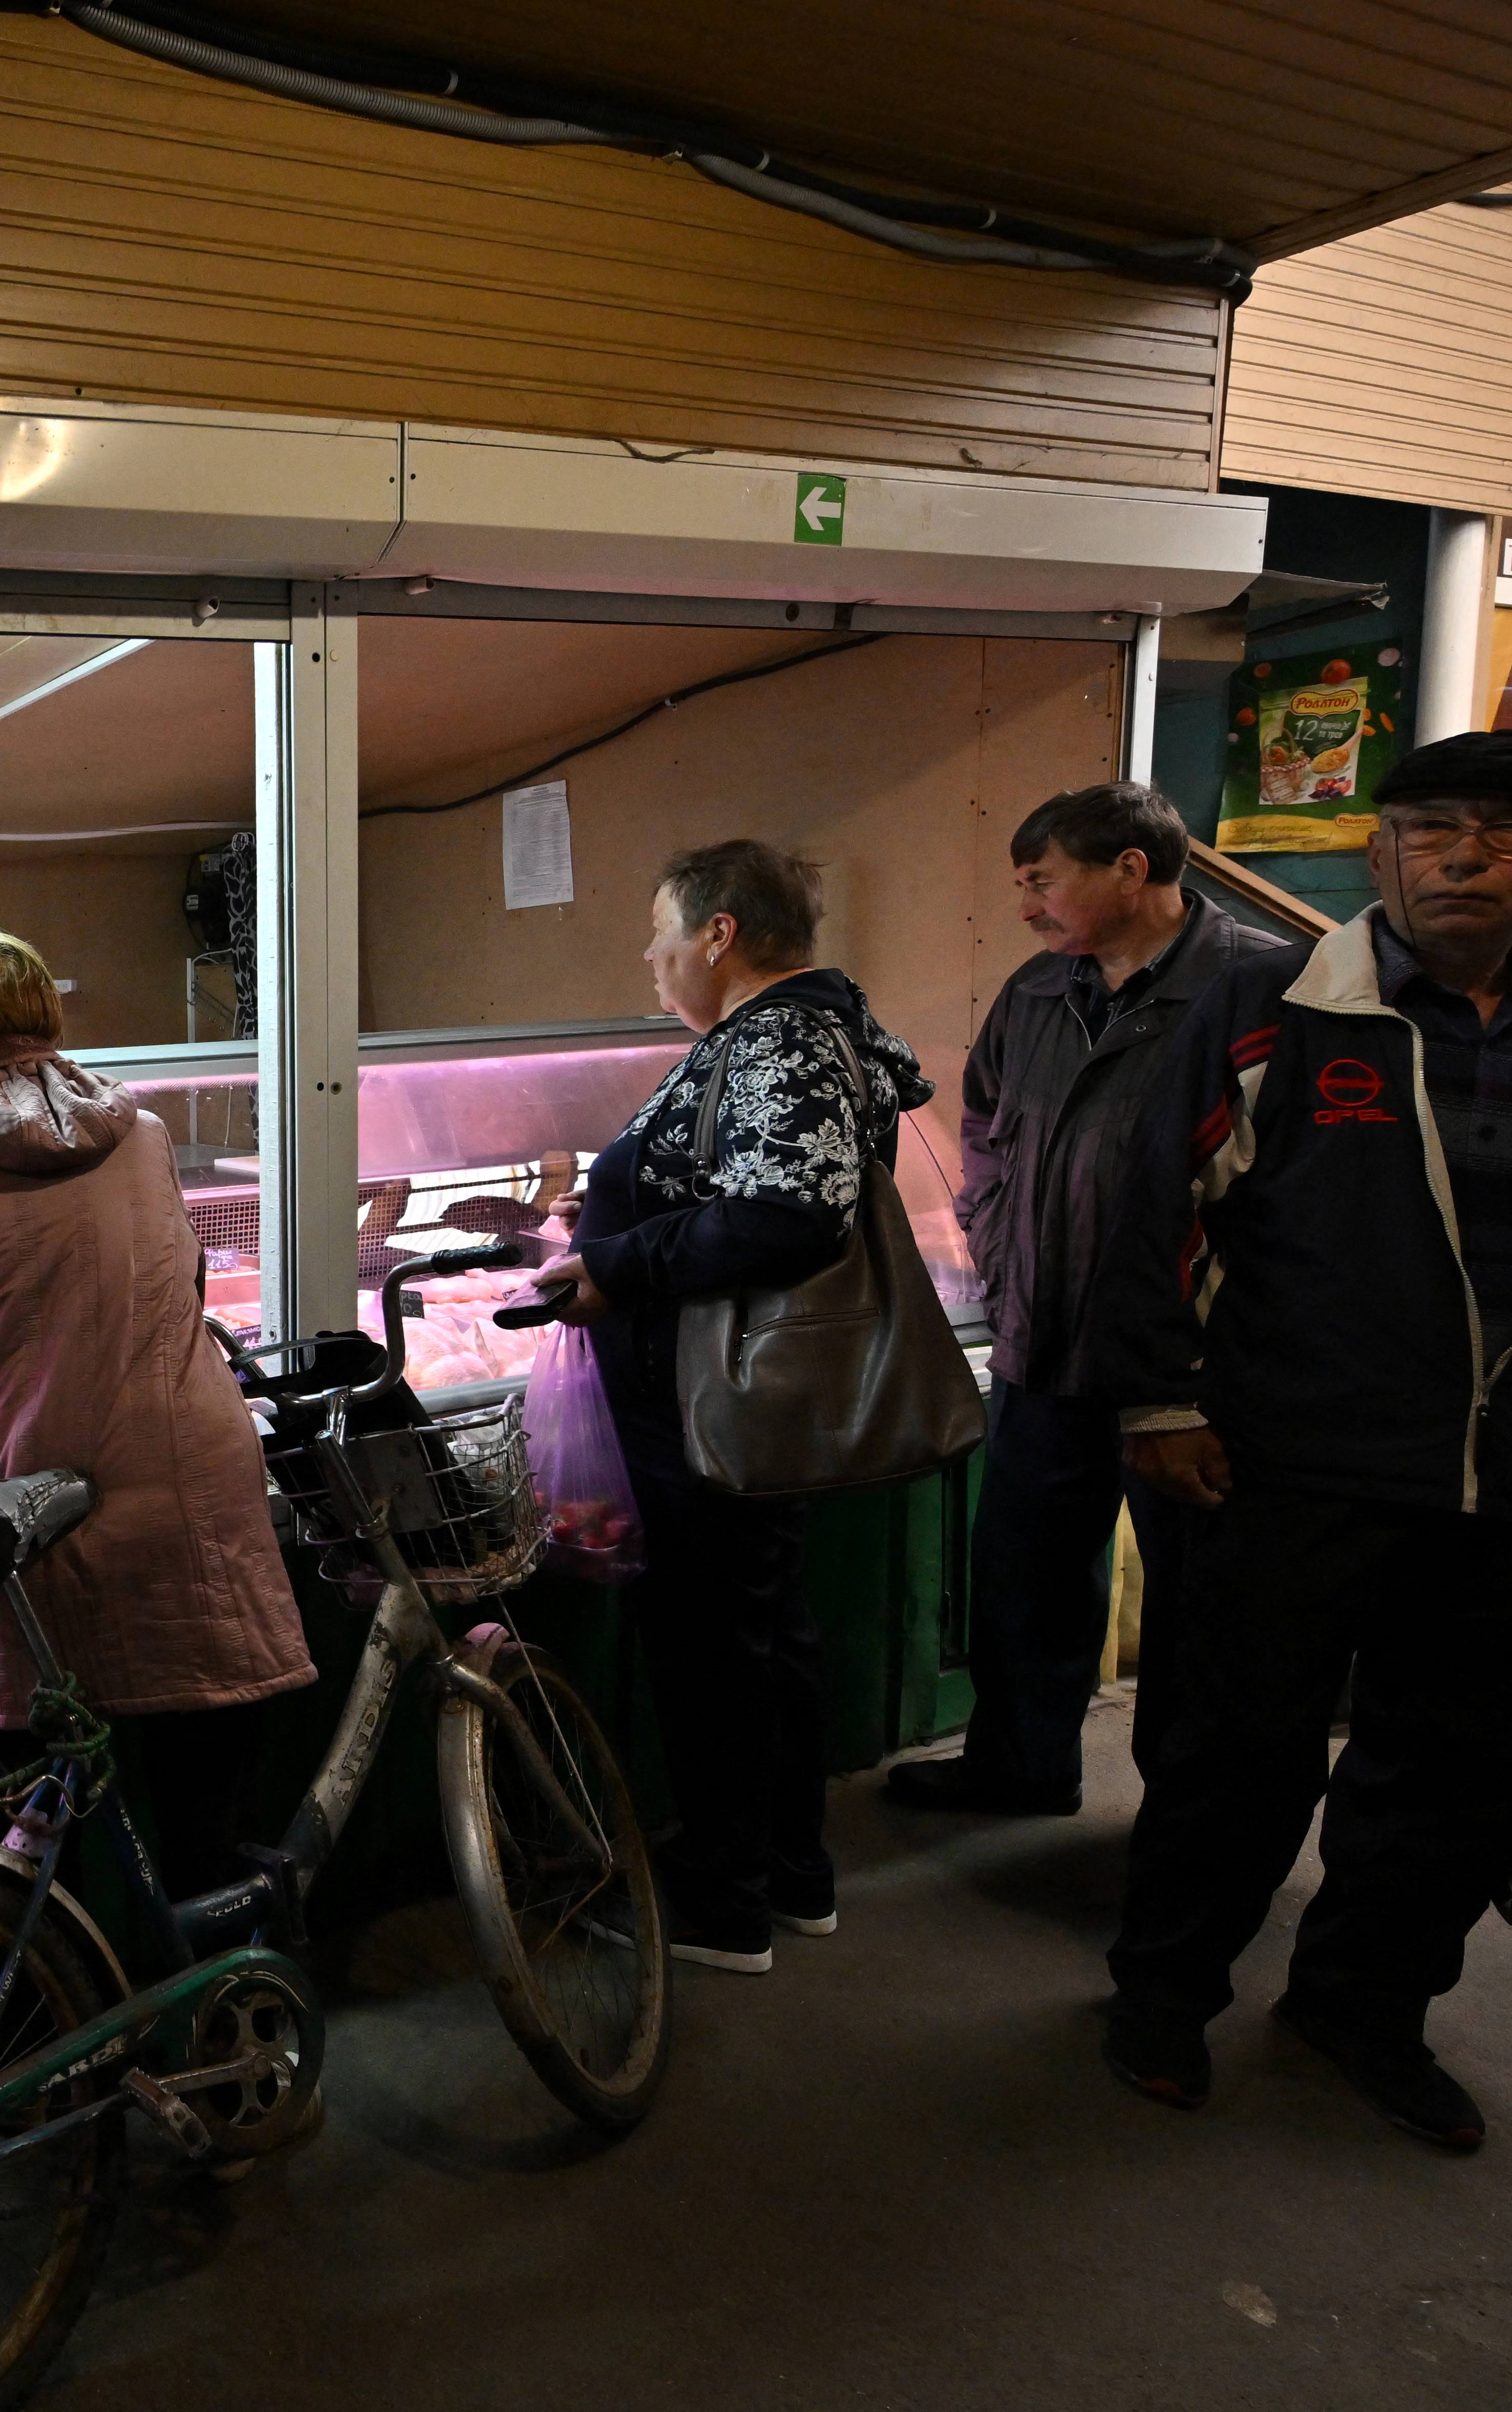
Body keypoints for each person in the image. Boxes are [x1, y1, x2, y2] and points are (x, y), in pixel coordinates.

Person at [1094, 731, 1512, 2152]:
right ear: (1377, 852)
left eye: (1500, 831)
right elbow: (1146, 1206)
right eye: (1426, 830)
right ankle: (1162, 1995)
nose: (1458, 858)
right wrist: (1161, 1401)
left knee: (1451, 1776)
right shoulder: (1273, 1010)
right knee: (1237, 1757)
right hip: (1295, 1472)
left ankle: (1364, 2006)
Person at [0, 928, 313, 1882]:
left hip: (32, 1526)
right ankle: (218, 2014)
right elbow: (187, 1295)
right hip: (192, 1510)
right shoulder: (148, 1138)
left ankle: (69, 2015)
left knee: (46, 1846)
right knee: (207, 1834)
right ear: (46, 1019)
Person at [525, 841, 932, 1973]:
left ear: (719, 934)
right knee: (756, 1632)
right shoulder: (801, 1033)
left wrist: (620, 1265)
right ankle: (784, 1873)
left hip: (715, 1399)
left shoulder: (781, 1038)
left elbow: (782, 1217)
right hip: (727, 1393)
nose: (649, 959)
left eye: (662, 934)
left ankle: (724, 1901)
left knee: (715, 1645)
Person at [891, 783, 1289, 1817]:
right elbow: (980, 1127)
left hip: (1194, 1362)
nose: (1024, 905)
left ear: (1129, 869)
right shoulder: (1032, 993)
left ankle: (1185, 1823)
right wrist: (992, 1239)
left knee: (1201, 1603)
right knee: (1024, 1575)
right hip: (1045, 1338)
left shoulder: (1260, 988)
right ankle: (1017, 1767)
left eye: (1040, 881)